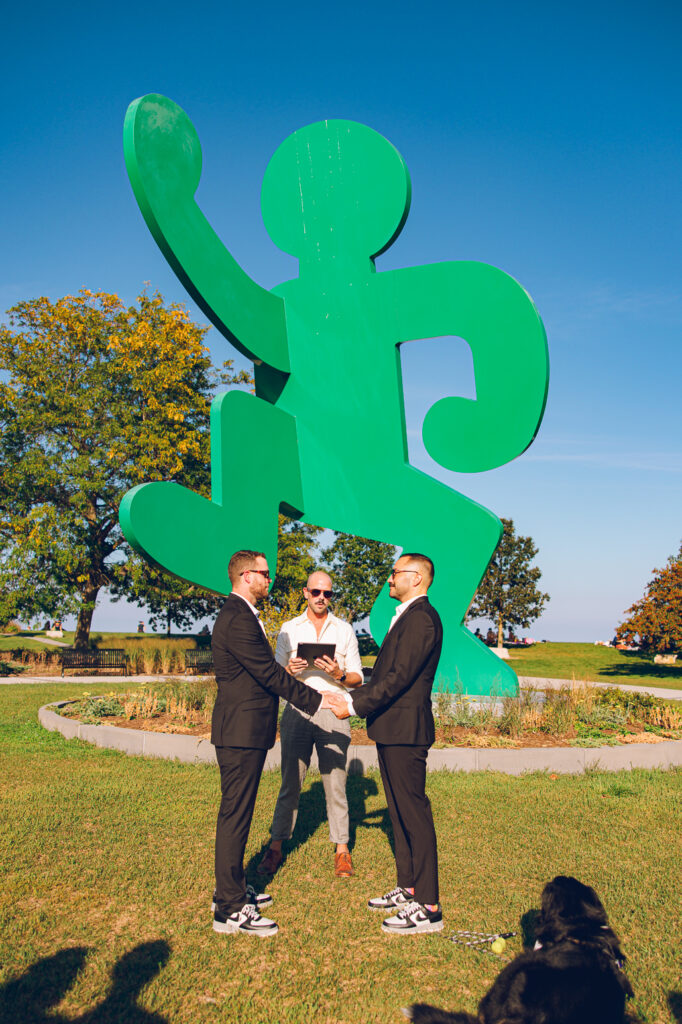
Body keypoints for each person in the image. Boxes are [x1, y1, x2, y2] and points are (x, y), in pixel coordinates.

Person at [211, 550, 347, 938]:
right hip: (240, 732)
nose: (269, 580)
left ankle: (232, 890)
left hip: (244, 730)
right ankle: (230, 909)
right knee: (235, 815)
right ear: (246, 576)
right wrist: (319, 699)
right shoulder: (238, 618)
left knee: (237, 813)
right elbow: (269, 674)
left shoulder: (241, 615)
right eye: (264, 574)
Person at [337, 552, 443, 935]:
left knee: (414, 813)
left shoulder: (422, 619)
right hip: (392, 729)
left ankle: (429, 905)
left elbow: (399, 678)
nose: (388, 580)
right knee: (398, 812)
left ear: (415, 578)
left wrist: (352, 703)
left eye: (395, 573)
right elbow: (387, 672)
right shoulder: (409, 617)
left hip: (407, 731)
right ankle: (409, 887)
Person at [258, 571, 364, 879]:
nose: (321, 597)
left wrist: (339, 674)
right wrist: (289, 670)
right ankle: (276, 847)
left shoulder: (344, 630)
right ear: (305, 592)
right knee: (291, 782)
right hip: (297, 708)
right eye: (316, 591)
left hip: (333, 708)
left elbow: (357, 679)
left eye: (327, 593)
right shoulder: (289, 629)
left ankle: (342, 850)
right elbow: (273, 676)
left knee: (336, 784)